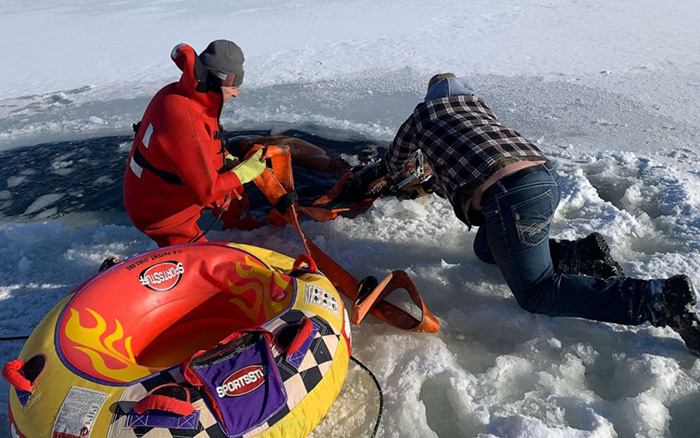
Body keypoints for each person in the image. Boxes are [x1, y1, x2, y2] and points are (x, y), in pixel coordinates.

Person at [356, 73, 700, 355]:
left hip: (511, 199)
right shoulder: (478, 110)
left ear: (431, 97)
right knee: (486, 248)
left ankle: (660, 299)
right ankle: (581, 254)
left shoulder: (424, 115)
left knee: (537, 292)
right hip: (544, 180)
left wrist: (375, 180)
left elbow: (394, 163)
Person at [123, 40, 266, 248]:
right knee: (197, 258)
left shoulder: (183, 95)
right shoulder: (185, 120)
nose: (236, 94)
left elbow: (197, 142)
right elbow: (205, 192)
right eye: (234, 87)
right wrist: (245, 172)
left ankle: (242, 226)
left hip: (161, 186)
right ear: (220, 82)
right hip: (160, 213)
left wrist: (224, 157)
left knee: (232, 187)